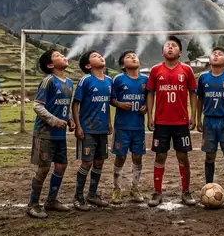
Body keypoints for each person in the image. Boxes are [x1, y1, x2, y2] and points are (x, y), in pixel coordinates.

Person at [147, 36, 197, 207]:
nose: (170, 48)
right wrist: (150, 116)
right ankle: (157, 192)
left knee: (183, 156)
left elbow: (192, 92)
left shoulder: (187, 70)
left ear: (180, 52)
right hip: (161, 122)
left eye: (174, 46)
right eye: (167, 45)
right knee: (160, 155)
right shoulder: (155, 70)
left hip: (181, 122)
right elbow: (151, 93)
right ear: (162, 51)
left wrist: (193, 116)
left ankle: (186, 191)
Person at [27, 50, 74, 219]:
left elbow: (64, 106)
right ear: (50, 65)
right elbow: (38, 106)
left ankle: (51, 201)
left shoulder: (69, 82)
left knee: (61, 166)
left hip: (60, 135)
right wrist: (54, 120)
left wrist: (69, 119)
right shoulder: (48, 81)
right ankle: (33, 204)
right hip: (44, 133)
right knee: (44, 168)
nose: (62, 56)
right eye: (57, 55)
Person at [197, 47, 224, 204]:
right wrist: (198, 119)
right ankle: (208, 186)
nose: (216, 55)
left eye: (220, 54)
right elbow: (200, 99)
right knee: (210, 155)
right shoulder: (203, 78)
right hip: (209, 121)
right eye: (213, 53)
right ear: (209, 60)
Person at [73, 50, 113, 211]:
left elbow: (107, 104)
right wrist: (78, 126)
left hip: (102, 129)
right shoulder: (86, 80)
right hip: (88, 128)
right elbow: (76, 104)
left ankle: (92, 194)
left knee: (99, 161)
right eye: (95, 56)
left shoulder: (109, 81)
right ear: (88, 65)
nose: (100, 56)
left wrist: (109, 122)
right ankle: (78, 196)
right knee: (87, 162)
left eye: (100, 55)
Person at [110, 50, 148, 205]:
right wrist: (119, 104)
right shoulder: (119, 79)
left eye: (135, 56)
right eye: (128, 57)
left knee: (137, 156)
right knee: (121, 156)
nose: (133, 57)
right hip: (122, 126)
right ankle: (117, 188)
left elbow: (149, 99)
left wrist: (146, 107)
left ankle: (135, 187)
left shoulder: (146, 79)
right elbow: (111, 99)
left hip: (138, 126)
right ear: (122, 64)